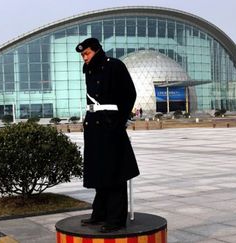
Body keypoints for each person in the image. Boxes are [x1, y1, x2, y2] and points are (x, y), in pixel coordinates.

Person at [76, 37, 140, 233]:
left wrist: (118, 122)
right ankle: (100, 213)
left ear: (97, 50)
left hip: (110, 128)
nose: (84, 58)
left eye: (86, 54)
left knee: (115, 174)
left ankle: (116, 219)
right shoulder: (89, 70)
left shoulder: (114, 66)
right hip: (95, 128)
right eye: (82, 55)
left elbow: (130, 94)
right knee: (98, 172)